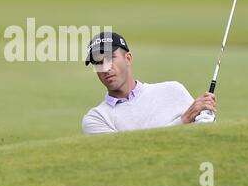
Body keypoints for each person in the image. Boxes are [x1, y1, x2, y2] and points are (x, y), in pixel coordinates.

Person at [82, 32, 216, 134]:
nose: (105, 68)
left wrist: (207, 118)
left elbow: (201, 133)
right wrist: (183, 121)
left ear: (128, 59)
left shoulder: (173, 90)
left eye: (110, 58)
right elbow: (127, 154)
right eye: (98, 62)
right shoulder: (97, 118)